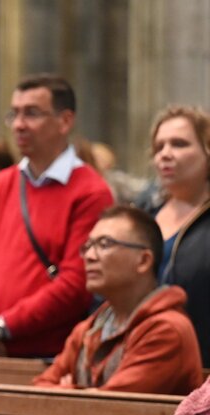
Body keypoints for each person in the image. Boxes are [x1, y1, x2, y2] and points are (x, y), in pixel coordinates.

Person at [0, 74, 114, 357]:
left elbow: (76, 284)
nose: (18, 124)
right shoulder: (0, 184)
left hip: (47, 356)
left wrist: (2, 328)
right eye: (14, 113)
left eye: (31, 113)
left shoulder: (91, 192)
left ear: (65, 121)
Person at [34, 206, 202, 394]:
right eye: (88, 246)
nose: (89, 256)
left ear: (144, 261)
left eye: (104, 244)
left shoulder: (167, 331)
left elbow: (110, 406)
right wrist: (78, 393)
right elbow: (39, 391)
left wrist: (67, 389)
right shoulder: (88, 329)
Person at [147, 106, 210, 364]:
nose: (166, 154)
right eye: (159, 147)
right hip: (144, 357)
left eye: (179, 144)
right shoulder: (142, 216)